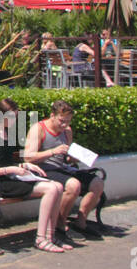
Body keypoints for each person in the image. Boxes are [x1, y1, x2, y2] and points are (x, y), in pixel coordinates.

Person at [0, 99, 68, 252]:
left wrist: (23, 165)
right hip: (1, 183)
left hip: (14, 177)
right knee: (51, 189)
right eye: (11, 117)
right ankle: (41, 238)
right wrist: (12, 170)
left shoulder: (8, 132)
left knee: (58, 186)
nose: (14, 120)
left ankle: (51, 235)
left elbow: (7, 160)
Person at [23, 100, 107, 242]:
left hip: (62, 168)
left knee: (97, 183)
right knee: (73, 185)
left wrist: (74, 159)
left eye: (68, 122)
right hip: (43, 169)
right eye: (61, 121)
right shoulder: (39, 129)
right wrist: (52, 151)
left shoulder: (67, 131)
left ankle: (81, 222)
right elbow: (28, 157)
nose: (64, 125)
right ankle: (59, 225)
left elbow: (66, 158)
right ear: (52, 116)